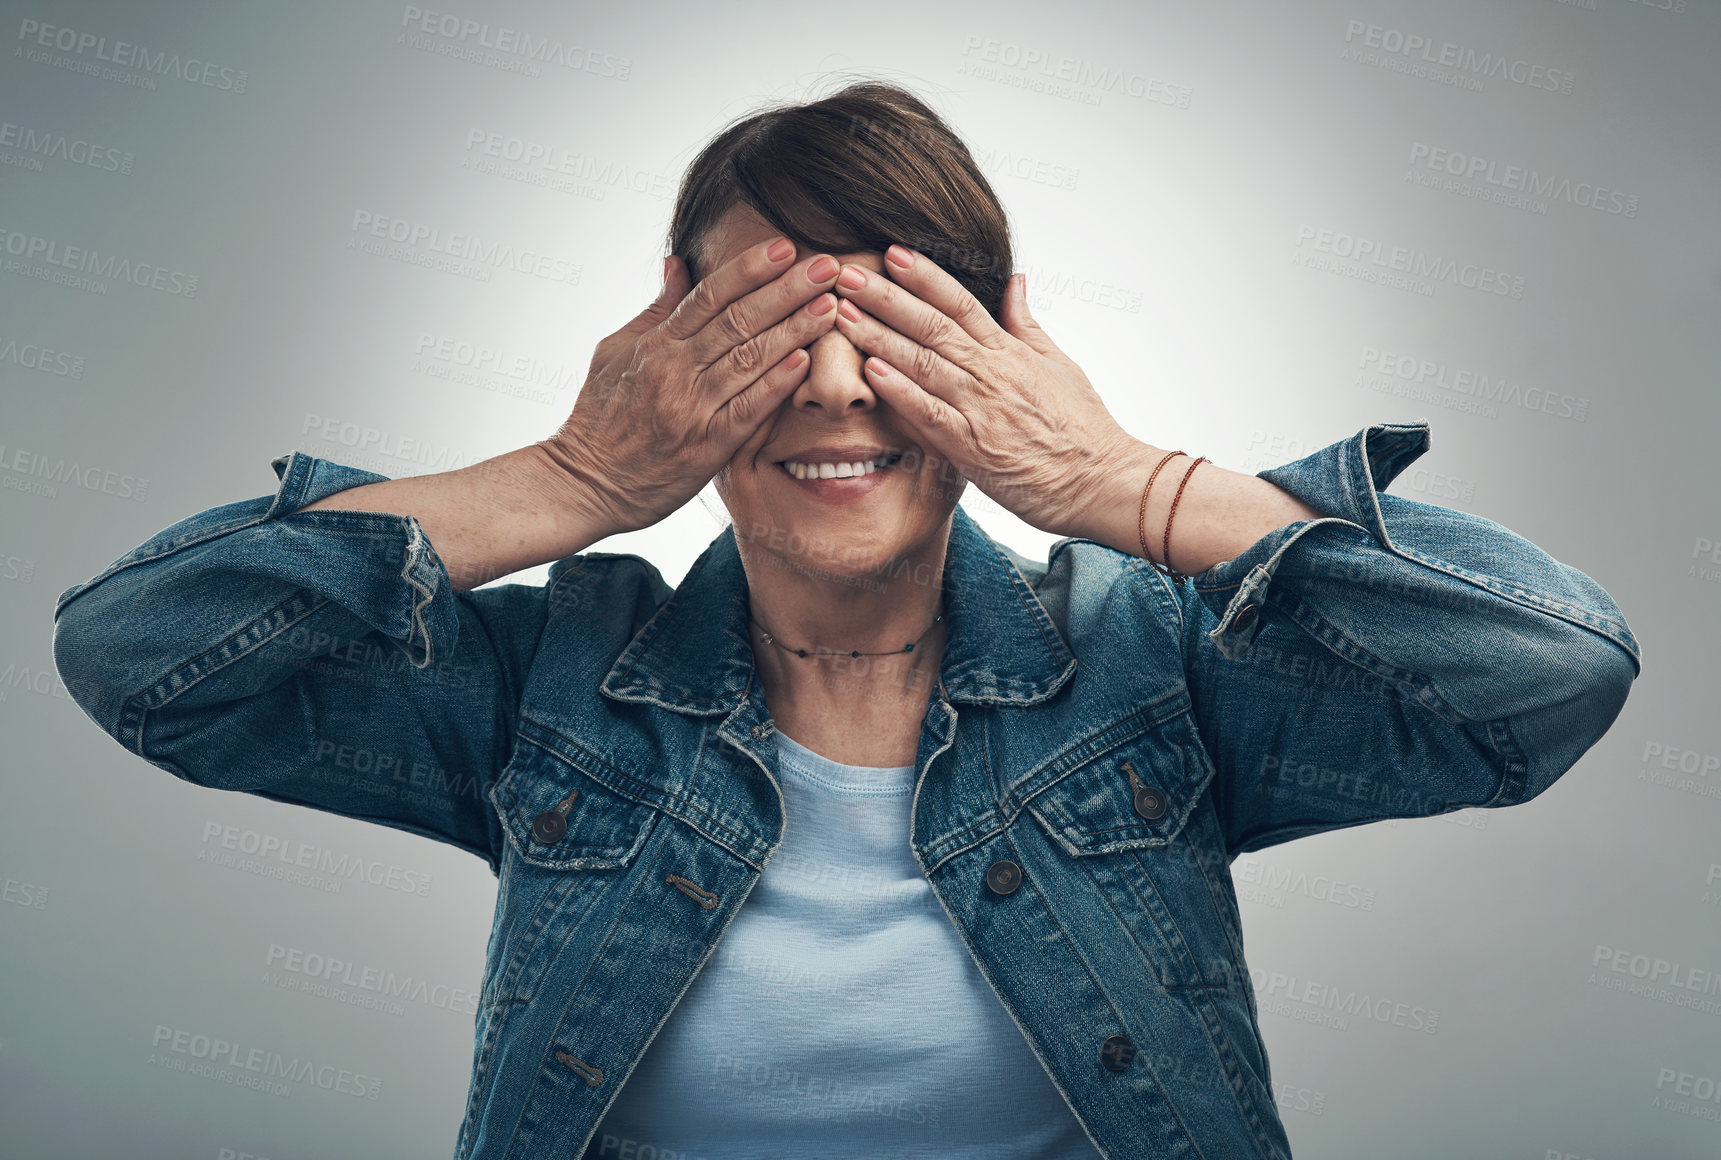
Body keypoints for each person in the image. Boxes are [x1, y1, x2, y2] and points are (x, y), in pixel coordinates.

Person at [52, 81, 1640, 1159]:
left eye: (887, 324)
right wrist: (576, 473)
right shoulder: (552, 686)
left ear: (997, 348)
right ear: (664, 330)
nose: (827, 386)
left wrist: (1117, 480)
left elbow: (1541, 675)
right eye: (765, 326)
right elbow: (143, 658)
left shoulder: (1152, 670)